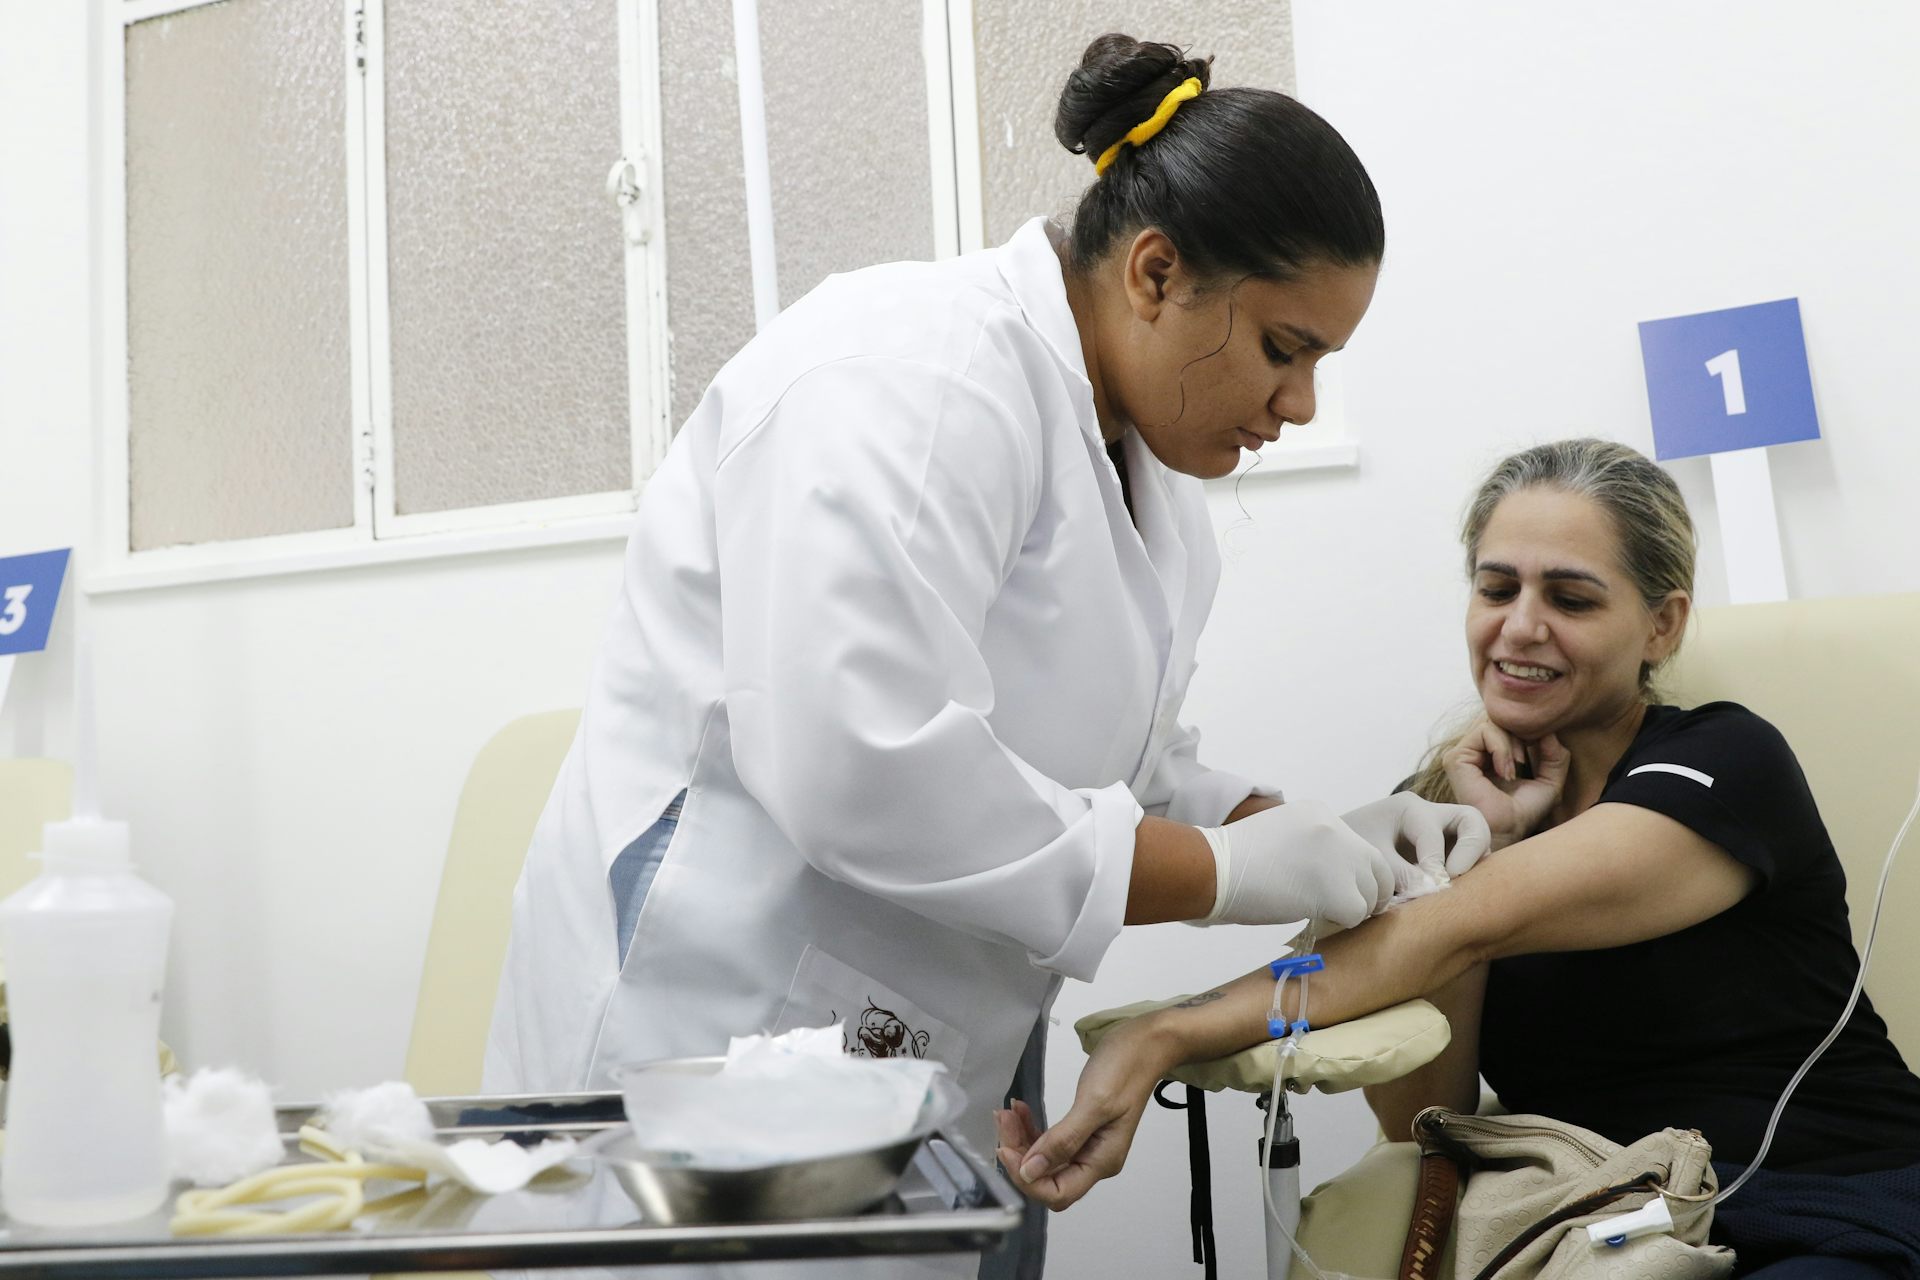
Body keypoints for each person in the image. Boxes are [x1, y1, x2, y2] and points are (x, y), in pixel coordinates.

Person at [484, 33, 1487, 1280]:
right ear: (1157, 272)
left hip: (918, 1033)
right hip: (726, 1010)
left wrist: (1305, 829)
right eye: (1285, 348)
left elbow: (1121, 763)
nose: (1300, 403)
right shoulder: (917, 375)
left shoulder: (1152, 483)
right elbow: (862, 764)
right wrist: (1224, 872)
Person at [997, 439, 1920, 1277]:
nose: (1520, 627)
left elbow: (1460, 928)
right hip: (1611, 1225)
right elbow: (1420, 1116)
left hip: (1834, 1202)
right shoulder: (1444, 812)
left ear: (1662, 625)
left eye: (1570, 598)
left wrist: (1169, 1031)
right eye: (1497, 588)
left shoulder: (1724, 762)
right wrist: (1487, 838)